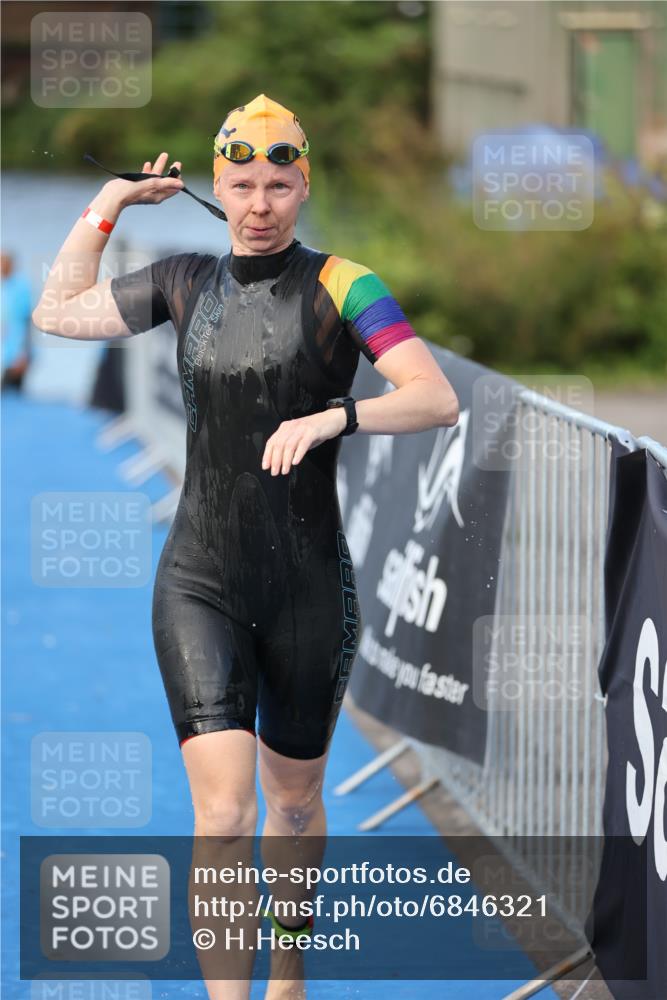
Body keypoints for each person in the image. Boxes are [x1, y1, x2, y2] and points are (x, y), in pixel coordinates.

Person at [31, 94, 459, 999]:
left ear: (303, 186)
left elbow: (433, 397)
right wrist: (111, 202)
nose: (258, 203)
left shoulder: (347, 284)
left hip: (308, 583)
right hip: (200, 578)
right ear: (217, 188)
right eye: (240, 184)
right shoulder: (184, 280)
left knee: (293, 801)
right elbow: (56, 312)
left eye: (277, 184)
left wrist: (335, 415)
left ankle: (288, 971)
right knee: (221, 811)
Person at [1, 252, 33, 391]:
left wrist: (23, 354)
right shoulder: (4, 287)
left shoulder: (21, 288)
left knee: (11, 395)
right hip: (5, 353)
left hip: (17, 354)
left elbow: (27, 323)